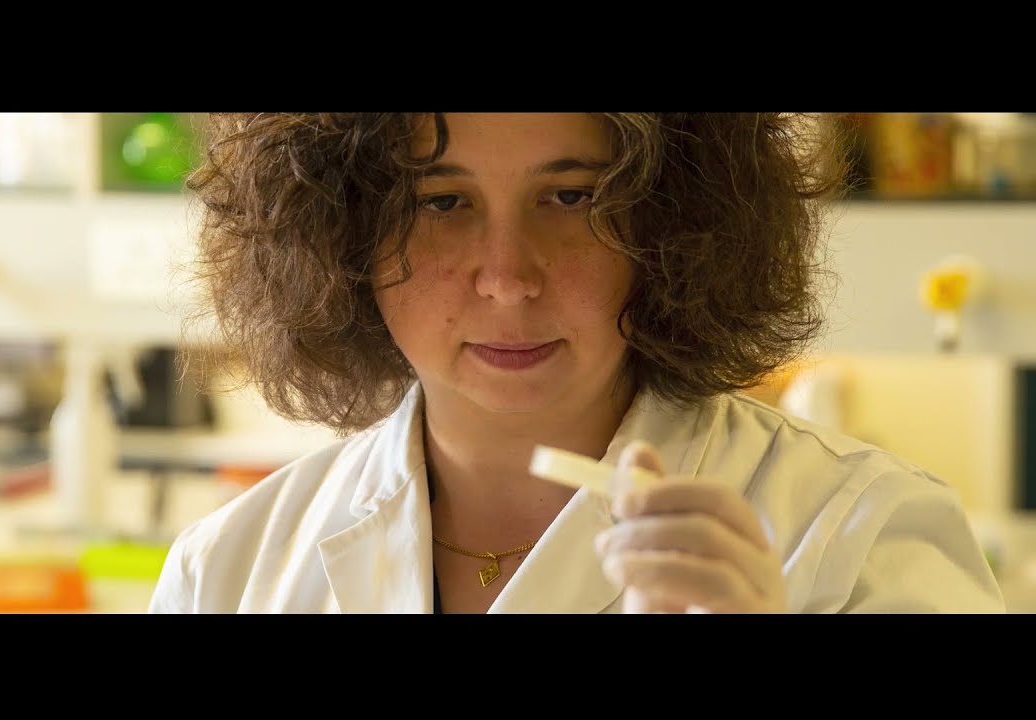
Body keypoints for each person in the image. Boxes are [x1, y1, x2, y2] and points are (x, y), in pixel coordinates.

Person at [148, 113, 1005, 614]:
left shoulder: (865, 536)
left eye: (571, 197)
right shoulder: (228, 571)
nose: (508, 277)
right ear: (340, 236)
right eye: (441, 202)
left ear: (672, 221)